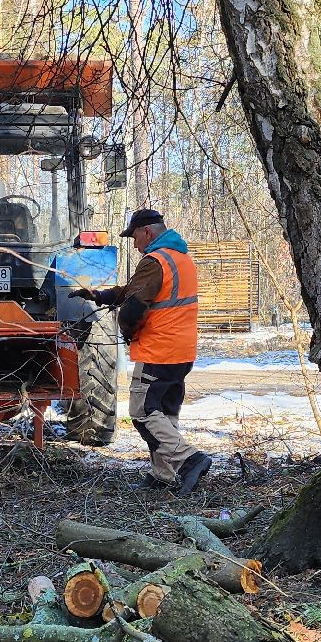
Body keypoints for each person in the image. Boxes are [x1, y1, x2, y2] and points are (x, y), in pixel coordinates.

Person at [72, 208, 214, 495]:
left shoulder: (154, 260)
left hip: (158, 350)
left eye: (134, 237)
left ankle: (189, 459)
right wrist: (100, 295)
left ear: (147, 232)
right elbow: (137, 290)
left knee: (142, 412)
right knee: (165, 413)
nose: (135, 244)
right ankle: (163, 475)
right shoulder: (180, 258)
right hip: (181, 350)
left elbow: (134, 307)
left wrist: (127, 331)